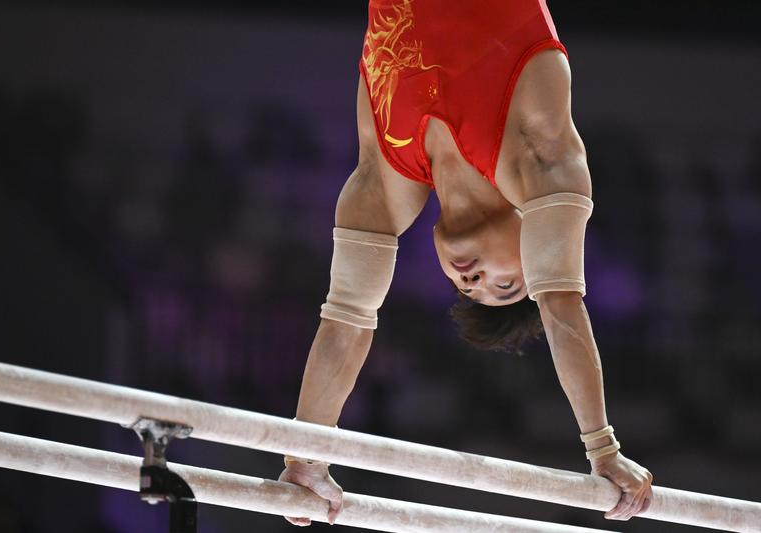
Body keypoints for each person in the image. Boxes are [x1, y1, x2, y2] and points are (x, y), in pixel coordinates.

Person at [278, 0, 654, 526]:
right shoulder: (541, 157)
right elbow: (561, 304)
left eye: (467, 290)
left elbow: (346, 322)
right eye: (505, 286)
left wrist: (305, 458)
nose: (472, 280)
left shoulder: (384, 183)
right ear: (535, 248)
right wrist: (602, 450)